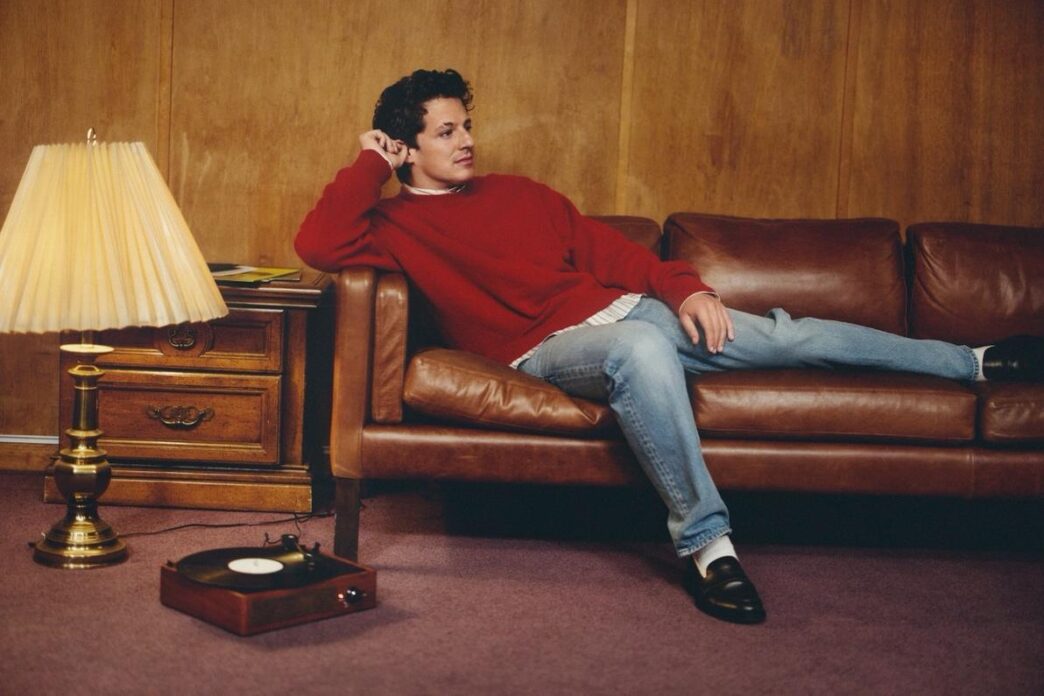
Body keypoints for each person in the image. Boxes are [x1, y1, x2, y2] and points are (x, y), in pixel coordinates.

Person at [295, 68, 1042, 625]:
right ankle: (709, 548)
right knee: (637, 351)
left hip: (637, 312)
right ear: (406, 148)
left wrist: (686, 291)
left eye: (466, 126)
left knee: (791, 334)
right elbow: (319, 242)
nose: (466, 141)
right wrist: (369, 163)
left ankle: (973, 361)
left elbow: (614, 256)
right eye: (446, 132)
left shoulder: (521, 193)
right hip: (552, 349)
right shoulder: (393, 228)